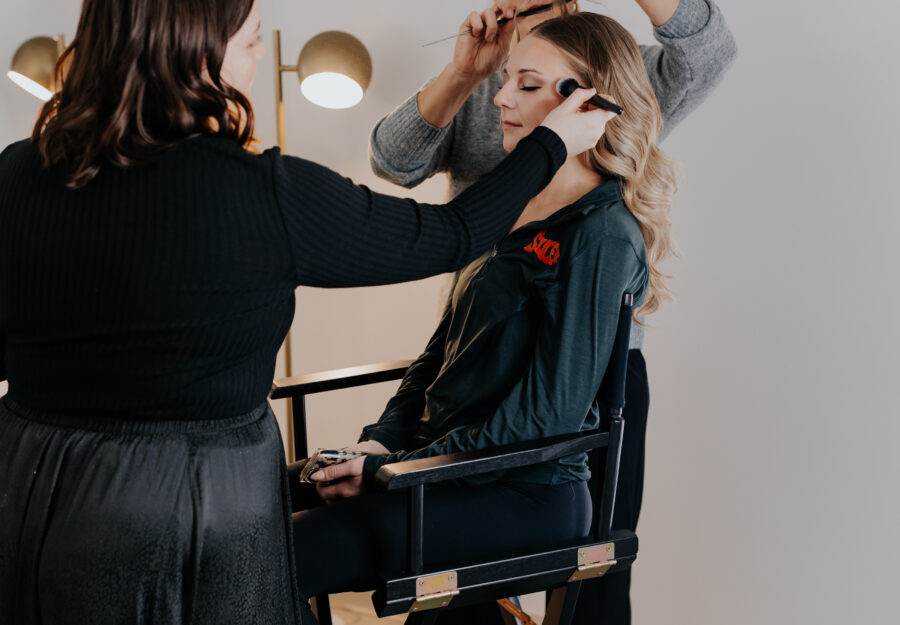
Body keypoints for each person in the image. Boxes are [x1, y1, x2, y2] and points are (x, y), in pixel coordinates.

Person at [0, 0, 615, 623]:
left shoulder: (18, 170)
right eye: (252, 40)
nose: (262, 55)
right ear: (197, 54)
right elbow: (453, 234)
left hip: (31, 480)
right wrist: (551, 143)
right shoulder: (255, 194)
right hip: (195, 496)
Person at [289, 12, 677, 625]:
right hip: (448, 472)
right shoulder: (508, 203)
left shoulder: (604, 235)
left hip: (524, 494)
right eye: (506, 81)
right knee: (256, 510)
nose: (498, 98)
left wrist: (396, 473)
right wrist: (381, 442)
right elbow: (437, 356)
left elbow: (544, 419)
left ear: (589, 103)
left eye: (526, 84)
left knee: (275, 554)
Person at [367, 1, 737, 622]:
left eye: (528, 84)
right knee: (453, 588)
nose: (505, 99)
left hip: (590, 371)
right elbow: (393, 160)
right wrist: (465, 73)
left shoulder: (613, 73)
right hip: (482, 352)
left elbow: (709, 52)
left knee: (592, 575)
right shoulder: (492, 85)